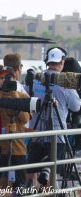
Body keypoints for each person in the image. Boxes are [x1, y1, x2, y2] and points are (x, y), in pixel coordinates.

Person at [27, 47, 81, 186]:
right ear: (61, 62)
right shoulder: (64, 82)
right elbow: (76, 106)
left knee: (31, 174)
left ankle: (29, 194)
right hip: (57, 136)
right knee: (52, 176)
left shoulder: (37, 78)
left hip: (36, 133)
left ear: (48, 61)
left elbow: (27, 97)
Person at [0, 66, 30, 188]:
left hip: (17, 146)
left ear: (14, 79)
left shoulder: (22, 96)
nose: (3, 80)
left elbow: (25, 120)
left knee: (21, 186)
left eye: (7, 78)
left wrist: (15, 100)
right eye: (1, 78)